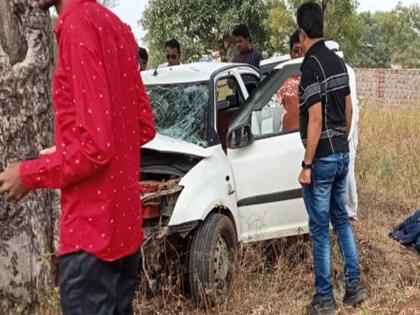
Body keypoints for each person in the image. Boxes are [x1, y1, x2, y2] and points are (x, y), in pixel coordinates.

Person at [0, 0, 156, 314]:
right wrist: (68, 147)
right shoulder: (117, 28)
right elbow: (142, 126)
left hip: (91, 240)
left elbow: (95, 149)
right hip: (124, 236)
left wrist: (29, 174)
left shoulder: (77, 26)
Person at [296, 2, 367, 315]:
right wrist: (341, 140)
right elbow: (348, 110)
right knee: (341, 221)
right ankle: (355, 286)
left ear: (302, 32)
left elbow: (314, 118)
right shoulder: (338, 62)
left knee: (320, 229)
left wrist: (307, 165)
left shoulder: (310, 65)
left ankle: (324, 299)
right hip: (341, 153)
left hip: (322, 160)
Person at [276, 30, 304, 132]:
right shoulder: (283, 83)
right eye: (296, 51)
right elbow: (276, 119)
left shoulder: (316, 78)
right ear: (290, 53)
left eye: (303, 50)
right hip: (289, 139)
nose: (299, 54)